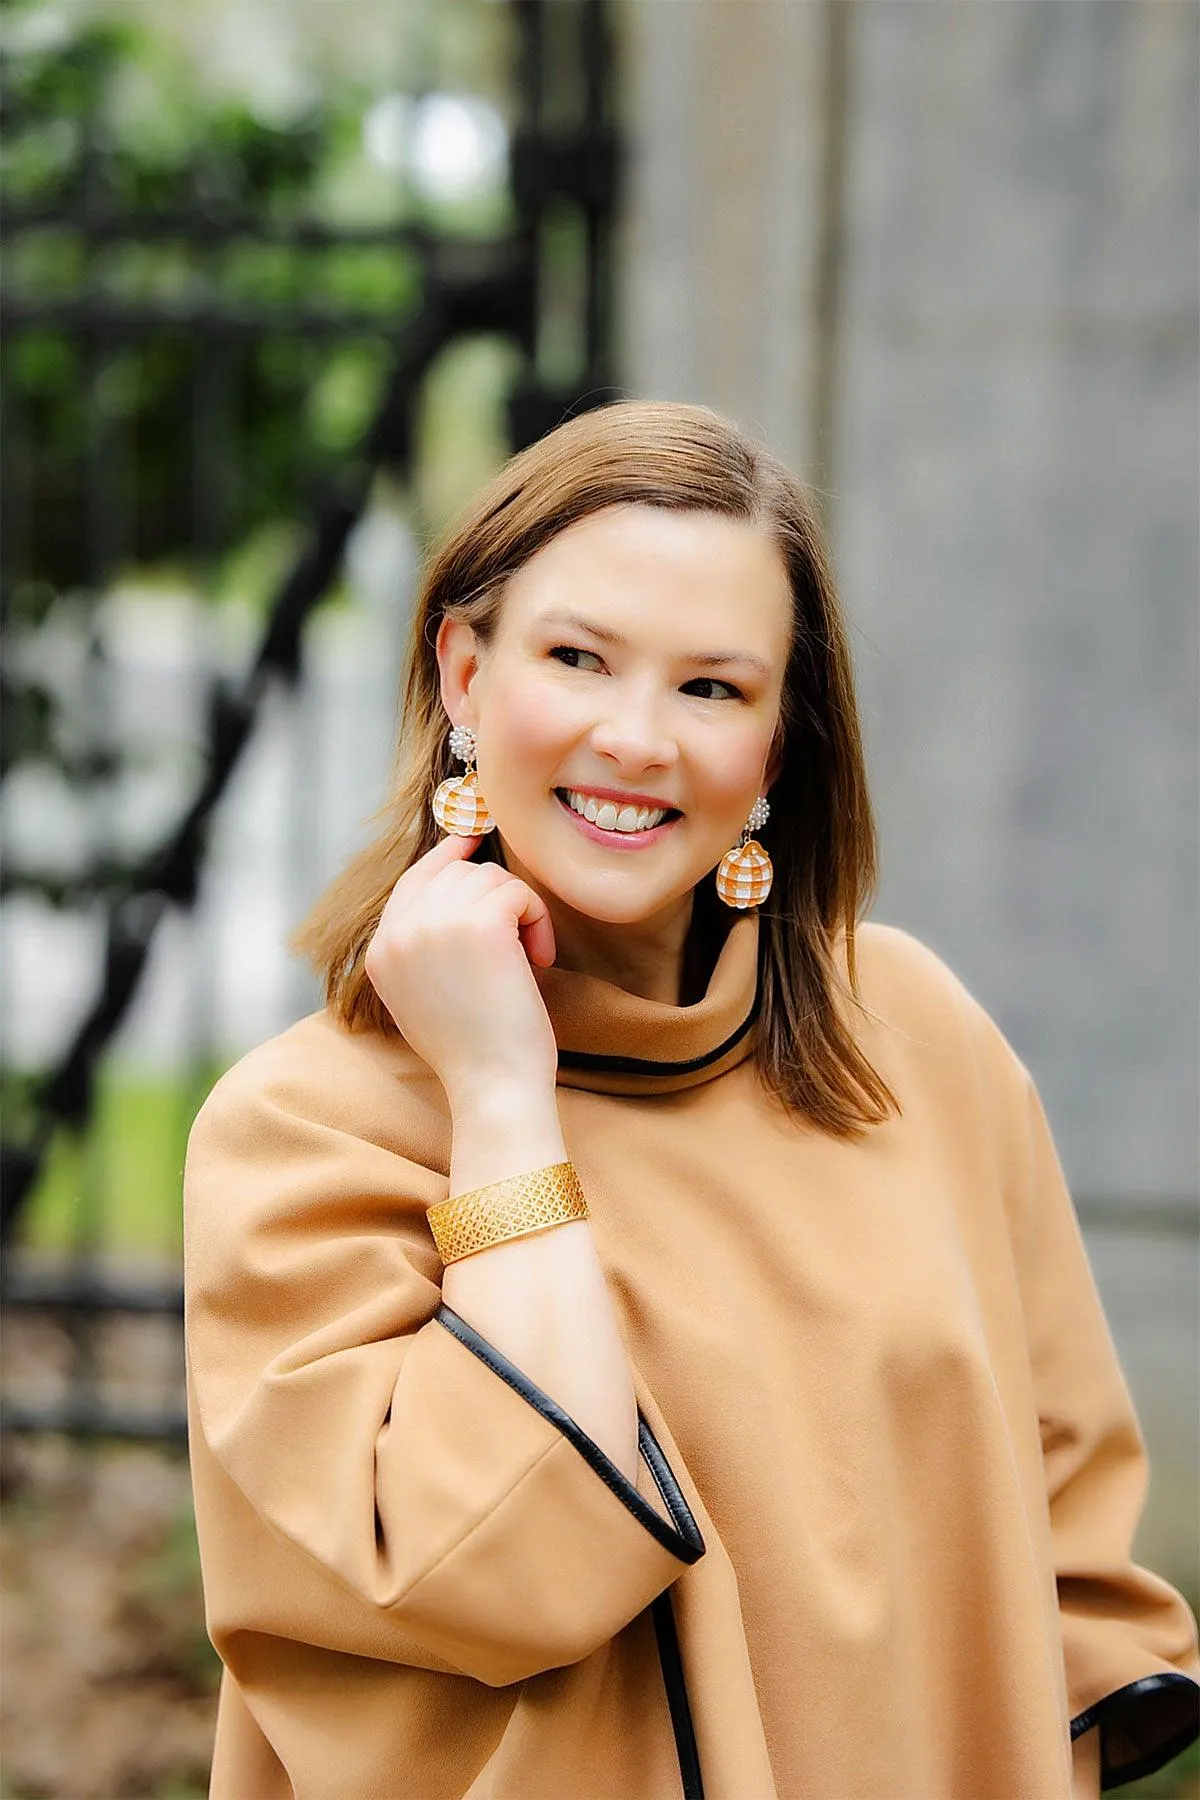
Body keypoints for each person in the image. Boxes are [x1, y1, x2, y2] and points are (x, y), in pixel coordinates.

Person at [183, 400, 1199, 1800]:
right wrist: (495, 1090)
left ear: (777, 750)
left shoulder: (912, 1039)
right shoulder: (300, 1132)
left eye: (712, 689)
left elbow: (1068, 1537)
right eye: (578, 659)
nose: (637, 738)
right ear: (465, 676)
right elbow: (497, 1567)